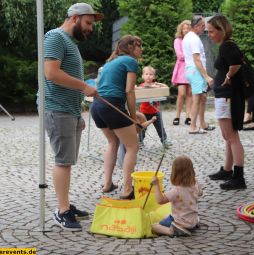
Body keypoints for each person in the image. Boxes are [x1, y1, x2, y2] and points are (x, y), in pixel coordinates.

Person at [42, 3, 101, 231]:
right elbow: (51, 72)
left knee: (67, 160)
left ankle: (65, 204)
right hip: (56, 108)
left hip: (69, 109)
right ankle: (62, 211)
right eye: (88, 23)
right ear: (74, 18)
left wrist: (78, 114)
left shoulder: (68, 42)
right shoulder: (55, 37)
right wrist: (83, 86)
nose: (90, 29)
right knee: (63, 161)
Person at [91, 35, 143, 200]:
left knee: (113, 142)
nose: (141, 50)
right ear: (131, 46)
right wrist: (134, 118)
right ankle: (127, 190)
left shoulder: (110, 62)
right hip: (112, 105)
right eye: (139, 46)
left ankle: (107, 184)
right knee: (132, 146)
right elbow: (129, 91)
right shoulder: (130, 62)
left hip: (97, 106)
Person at [206, 15, 247, 190]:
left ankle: (238, 177)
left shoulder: (227, 46)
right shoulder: (226, 46)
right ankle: (228, 170)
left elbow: (236, 63)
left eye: (211, 31)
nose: (209, 34)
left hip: (227, 96)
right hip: (225, 95)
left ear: (221, 30)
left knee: (232, 137)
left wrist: (228, 77)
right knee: (228, 137)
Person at [151, 156, 203, 237]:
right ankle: (192, 224)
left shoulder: (176, 191)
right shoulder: (195, 183)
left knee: (154, 227)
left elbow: (160, 200)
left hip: (180, 222)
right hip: (193, 219)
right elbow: (200, 193)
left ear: (175, 173)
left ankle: (172, 231)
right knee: (167, 216)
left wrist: (156, 185)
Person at [182, 15, 215, 134]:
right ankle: (192, 127)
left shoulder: (188, 37)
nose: (204, 28)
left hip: (192, 70)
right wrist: (206, 76)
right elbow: (197, 59)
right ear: (195, 26)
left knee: (203, 97)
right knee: (196, 99)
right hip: (195, 71)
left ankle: (203, 124)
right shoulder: (194, 39)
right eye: (202, 26)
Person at [137, 66, 172, 148]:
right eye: (146, 74)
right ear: (142, 76)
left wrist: (158, 84)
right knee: (143, 128)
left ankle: (164, 140)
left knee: (160, 127)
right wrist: (151, 87)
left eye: (150, 74)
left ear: (154, 77)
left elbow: (165, 87)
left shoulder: (156, 85)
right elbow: (142, 88)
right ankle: (140, 142)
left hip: (155, 112)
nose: (148, 76)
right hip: (144, 112)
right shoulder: (142, 85)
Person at [171, 20, 192, 126]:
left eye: (188, 28)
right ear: (181, 29)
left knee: (189, 94)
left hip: (192, 69)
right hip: (181, 70)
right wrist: (192, 56)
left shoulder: (193, 40)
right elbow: (180, 56)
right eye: (184, 28)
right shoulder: (178, 40)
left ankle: (188, 116)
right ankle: (177, 116)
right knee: (181, 94)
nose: (186, 30)